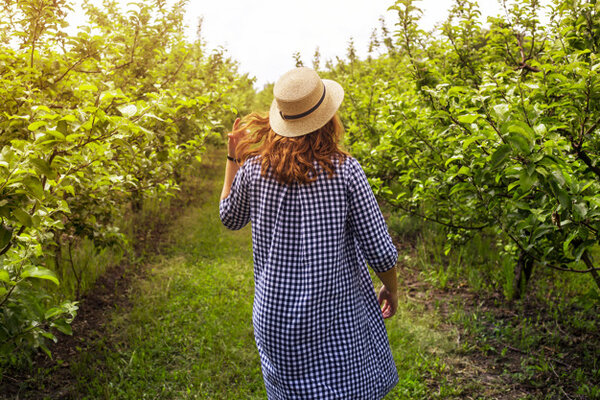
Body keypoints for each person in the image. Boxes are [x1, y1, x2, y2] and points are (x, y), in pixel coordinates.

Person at [219, 67, 399, 399]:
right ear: (329, 118)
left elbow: (229, 217)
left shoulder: (254, 170)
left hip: (274, 317)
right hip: (333, 317)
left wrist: (233, 158)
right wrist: (391, 288)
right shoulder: (345, 172)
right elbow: (380, 250)